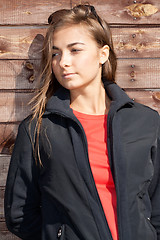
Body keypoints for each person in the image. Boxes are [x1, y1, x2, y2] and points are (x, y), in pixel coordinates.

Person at [4, 4, 160, 240]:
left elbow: (156, 203)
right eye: (56, 53)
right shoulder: (39, 129)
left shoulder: (145, 122)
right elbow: (20, 214)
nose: (63, 62)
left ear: (102, 54)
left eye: (75, 50)